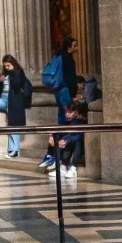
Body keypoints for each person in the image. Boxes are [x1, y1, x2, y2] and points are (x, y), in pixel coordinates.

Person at [40, 37, 80, 168]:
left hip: (59, 91)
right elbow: (70, 79)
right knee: (66, 122)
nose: (77, 48)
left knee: (61, 121)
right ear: (69, 47)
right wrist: (74, 94)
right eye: (75, 46)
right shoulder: (67, 59)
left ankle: (50, 155)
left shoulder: (58, 56)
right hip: (65, 92)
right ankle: (55, 156)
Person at [47, 98, 88, 186]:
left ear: (76, 112)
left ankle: (73, 167)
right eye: (66, 112)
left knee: (75, 141)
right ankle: (62, 165)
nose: (67, 114)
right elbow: (61, 129)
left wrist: (65, 140)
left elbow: (77, 135)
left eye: (70, 112)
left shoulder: (80, 122)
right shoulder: (69, 122)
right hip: (70, 146)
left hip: (79, 150)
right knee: (60, 138)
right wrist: (51, 135)